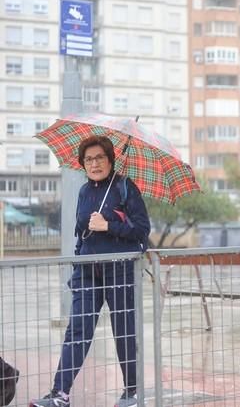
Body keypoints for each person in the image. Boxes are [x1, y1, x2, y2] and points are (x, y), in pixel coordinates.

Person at [31, 136, 150, 407]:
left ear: (110, 159)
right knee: (77, 330)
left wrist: (109, 225)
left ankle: (131, 392)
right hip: (87, 271)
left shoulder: (125, 187)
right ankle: (60, 394)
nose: (94, 163)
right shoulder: (84, 192)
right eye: (88, 159)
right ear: (82, 163)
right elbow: (81, 232)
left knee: (124, 331)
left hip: (119, 271)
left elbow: (142, 231)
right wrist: (78, 261)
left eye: (99, 158)